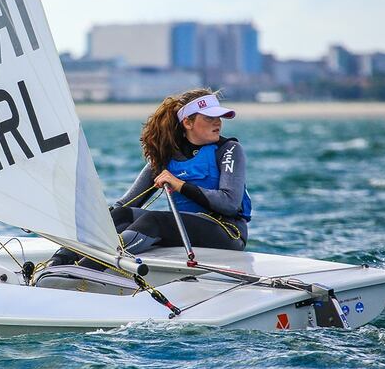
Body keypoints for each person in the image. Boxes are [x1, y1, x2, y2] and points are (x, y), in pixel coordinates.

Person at [48, 88, 252, 269]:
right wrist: (90, 217)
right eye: (209, 118)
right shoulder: (167, 156)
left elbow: (229, 204)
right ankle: (57, 262)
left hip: (228, 232)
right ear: (187, 122)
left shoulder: (229, 150)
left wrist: (180, 185)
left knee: (154, 220)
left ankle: (86, 270)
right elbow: (127, 203)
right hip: (184, 230)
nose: (218, 122)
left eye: (220, 117)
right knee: (121, 214)